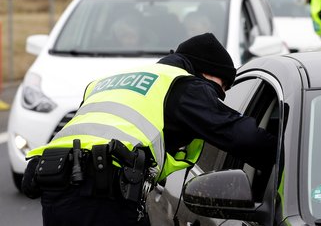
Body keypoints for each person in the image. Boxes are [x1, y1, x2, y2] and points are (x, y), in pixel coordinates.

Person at [21, 32, 277, 226]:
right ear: (205, 74)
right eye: (221, 88)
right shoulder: (183, 85)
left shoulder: (107, 82)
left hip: (55, 184)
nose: (219, 97)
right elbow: (245, 137)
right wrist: (295, 156)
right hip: (100, 192)